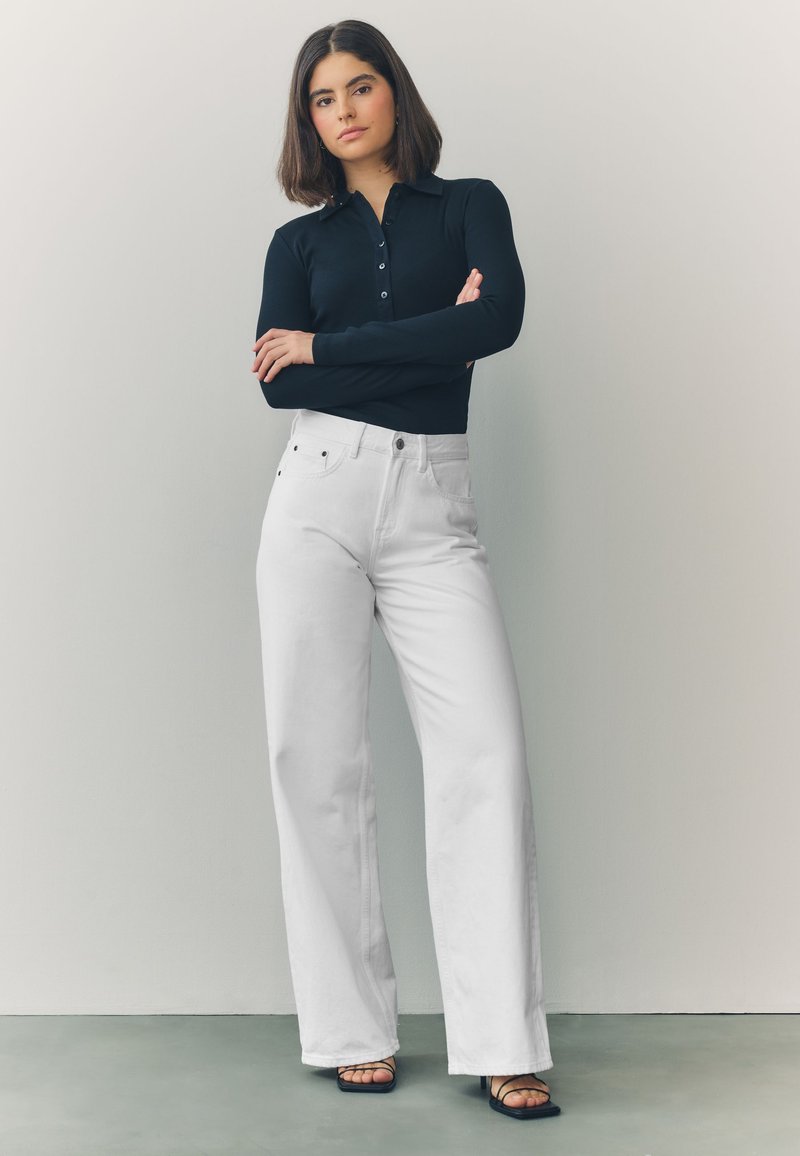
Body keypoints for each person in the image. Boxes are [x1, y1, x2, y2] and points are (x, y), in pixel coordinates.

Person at [250, 19, 561, 1122]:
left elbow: (500, 321)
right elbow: (279, 387)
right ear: (309, 119)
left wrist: (330, 349)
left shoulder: (471, 204)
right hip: (316, 498)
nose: (344, 110)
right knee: (312, 759)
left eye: (361, 86)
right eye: (322, 97)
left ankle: (501, 1042)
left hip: (434, 502)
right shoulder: (297, 245)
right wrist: (440, 333)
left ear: (395, 94)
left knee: (484, 754)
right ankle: (350, 1031)